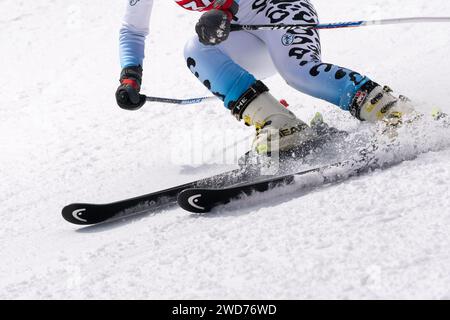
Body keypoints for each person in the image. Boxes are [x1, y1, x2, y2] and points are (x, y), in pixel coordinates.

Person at [116, 0, 414, 154]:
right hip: (239, 30)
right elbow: (132, 30)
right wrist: (130, 77)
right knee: (197, 51)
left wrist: (226, 8)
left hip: (279, 8)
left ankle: (389, 109)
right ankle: (281, 125)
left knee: (298, 73)